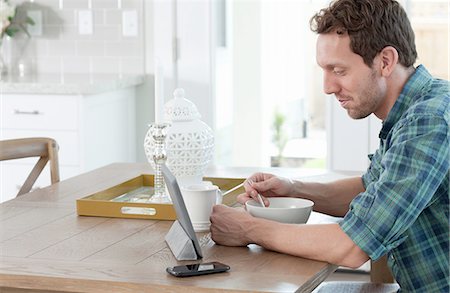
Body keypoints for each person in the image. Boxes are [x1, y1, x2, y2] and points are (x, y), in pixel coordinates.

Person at [209, 0, 449, 292]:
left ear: (385, 61)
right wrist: (293, 188)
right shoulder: (414, 109)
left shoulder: (429, 122)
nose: (327, 87)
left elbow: (353, 245)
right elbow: (371, 191)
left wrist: (247, 229)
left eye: (339, 70)